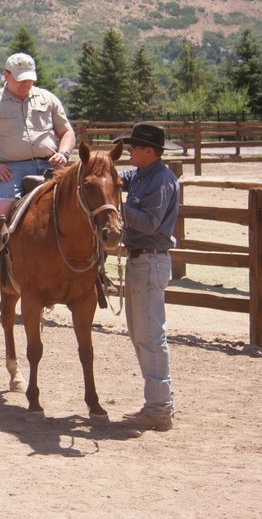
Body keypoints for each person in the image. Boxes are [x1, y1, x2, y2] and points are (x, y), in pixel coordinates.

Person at [0, 52, 76, 296]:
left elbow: (67, 132)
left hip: (51, 165)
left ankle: (94, 269)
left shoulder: (48, 99)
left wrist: (64, 154)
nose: (26, 84)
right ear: (6, 76)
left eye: (30, 80)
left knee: (82, 202)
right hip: (10, 169)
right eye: (20, 80)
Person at [116, 122, 181, 432]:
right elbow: (117, 178)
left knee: (151, 336)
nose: (129, 150)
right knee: (142, 334)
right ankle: (157, 404)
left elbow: (149, 223)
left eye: (134, 146)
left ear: (149, 151)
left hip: (149, 260)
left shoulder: (161, 181)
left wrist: (116, 207)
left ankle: (159, 408)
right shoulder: (142, 175)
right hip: (141, 261)